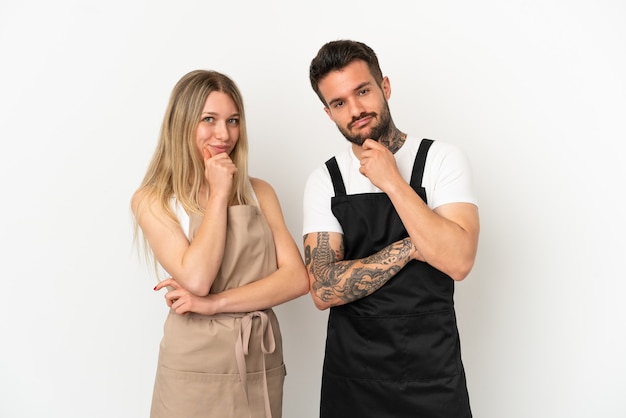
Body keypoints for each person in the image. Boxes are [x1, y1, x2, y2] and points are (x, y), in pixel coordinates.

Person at [302, 40, 479, 417]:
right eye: (339, 103)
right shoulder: (325, 181)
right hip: (353, 380)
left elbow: (459, 261)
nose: (355, 110)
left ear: (384, 86)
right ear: (328, 112)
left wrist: (393, 182)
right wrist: (411, 247)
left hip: (433, 374)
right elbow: (322, 289)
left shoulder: (441, 160)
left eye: (362, 91)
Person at [131, 69, 309, 418]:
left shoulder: (260, 192)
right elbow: (197, 277)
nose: (223, 134)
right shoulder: (154, 199)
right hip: (193, 363)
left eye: (233, 120)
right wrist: (219, 194)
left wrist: (214, 304)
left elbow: (297, 279)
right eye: (208, 120)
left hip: (257, 354)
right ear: (182, 124)